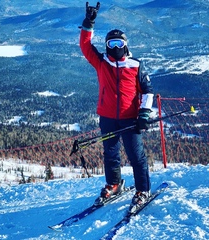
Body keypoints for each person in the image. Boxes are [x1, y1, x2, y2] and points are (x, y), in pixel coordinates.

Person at [79, 2, 154, 207]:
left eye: (119, 44)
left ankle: (142, 190)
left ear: (126, 45)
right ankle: (113, 184)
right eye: (111, 44)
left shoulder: (135, 65)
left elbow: (147, 91)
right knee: (110, 154)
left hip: (131, 118)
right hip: (108, 117)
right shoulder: (102, 62)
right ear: (106, 46)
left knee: (136, 155)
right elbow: (85, 46)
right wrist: (89, 22)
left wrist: (144, 114)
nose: (115, 48)